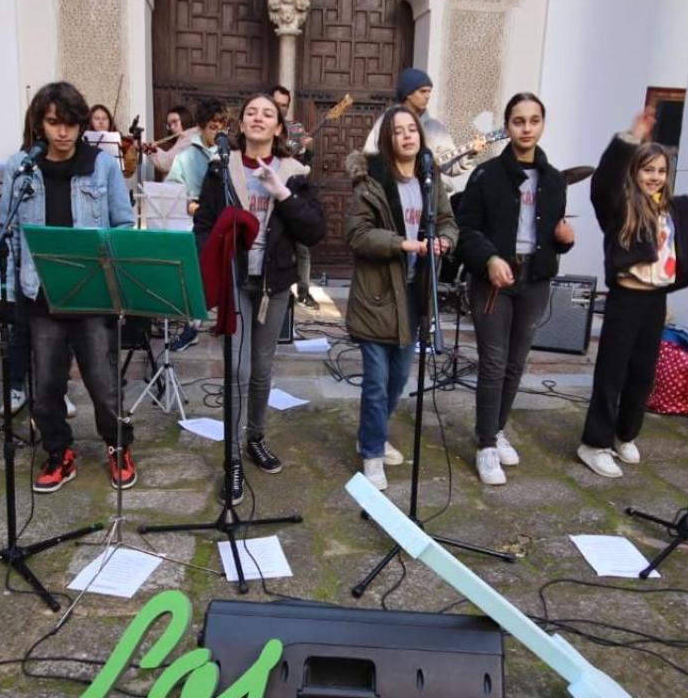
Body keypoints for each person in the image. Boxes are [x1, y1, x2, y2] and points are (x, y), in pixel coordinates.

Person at [3, 81, 139, 493]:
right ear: (40, 124)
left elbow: (122, 223)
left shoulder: (102, 166)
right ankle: (59, 451)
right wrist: (9, 293)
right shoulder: (21, 166)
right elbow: (10, 235)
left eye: (70, 124)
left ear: (81, 125)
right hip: (40, 291)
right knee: (45, 385)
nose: (62, 133)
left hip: (91, 291)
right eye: (53, 123)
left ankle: (118, 445)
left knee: (102, 380)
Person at [193, 93, 326, 505]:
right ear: (241, 123)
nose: (258, 117)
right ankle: (231, 459)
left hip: (273, 285)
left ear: (278, 128)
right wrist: (210, 264)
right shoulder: (220, 168)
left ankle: (255, 438)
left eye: (268, 113)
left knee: (263, 369)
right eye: (251, 111)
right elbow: (203, 225)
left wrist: (281, 193)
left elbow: (313, 230)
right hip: (235, 282)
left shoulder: (295, 173)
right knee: (240, 369)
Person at [578, 107, 688, 479]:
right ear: (635, 172)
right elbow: (602, 182)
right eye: (647, 169)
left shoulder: (674, 210)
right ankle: (594, 443)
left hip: (656, 300)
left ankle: (625, 433)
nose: (654, 177)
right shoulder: (620, 207)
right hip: (626, 299)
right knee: (612, 373)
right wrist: (628, 140)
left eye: (660, 171)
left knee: (642, 374)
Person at [453, 93, 575, 485]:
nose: (526, 128)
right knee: (491, 361)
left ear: (542, 125)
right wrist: (489, 258)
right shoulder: (486, 175)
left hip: (534, 280)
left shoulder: (555, 179)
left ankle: (497, 428)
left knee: (516, 362)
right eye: (518, 121)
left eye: (533, 120)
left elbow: (548, 233)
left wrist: (564, 240)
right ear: (507, 127)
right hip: (493, 280)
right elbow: (466, 229)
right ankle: (486, 444)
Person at [344, 105, 457, 490]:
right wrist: (403, 243)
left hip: (415, 294)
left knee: (398, 381)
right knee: (376, 381)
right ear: (388, 139)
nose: (407, 136)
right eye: (399, 131)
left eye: (413, 130)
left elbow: (447, 220)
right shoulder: (371, 180)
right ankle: (372, 453)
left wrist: (445, 240)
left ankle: (369, 433)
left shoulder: (431, 176)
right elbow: (357, 235)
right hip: (377, 294)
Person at [164, 97, 231, 353]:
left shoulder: (229, 153)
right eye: (213, 127)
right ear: (201, 127)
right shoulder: (186, 156)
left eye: (223, 127)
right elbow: (171, 191)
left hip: (225, 223)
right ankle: (192, 326)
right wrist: (189, 204)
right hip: (199, 225)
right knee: (198, 276)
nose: (219, 132)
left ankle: (225, 322)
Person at [363, 67, 486, 193]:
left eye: (429, 92)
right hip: (392, 196)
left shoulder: (436, 129)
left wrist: (471, 153)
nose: (427, 96)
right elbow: (370, 158)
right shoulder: (385, 123)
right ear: (408, 94)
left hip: (427, 197)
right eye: (423, 92)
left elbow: (451, 167)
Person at [271, 85, 319, 309]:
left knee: (302, 246)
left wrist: (307, 151)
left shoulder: (296, 129)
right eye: (277, 104)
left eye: (284, 105)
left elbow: (305, 166)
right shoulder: (264, 126)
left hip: (292, 192)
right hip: (269, 192)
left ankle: (304, 291)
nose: (281, 109)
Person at [148, 104, 195, 180]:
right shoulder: (183, 139)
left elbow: (167, 164)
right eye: (169, 124)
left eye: (175, 121)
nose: (172, 127)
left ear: (184, 119)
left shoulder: (190, 139)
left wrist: (151, 150)